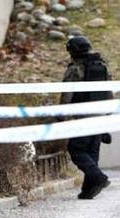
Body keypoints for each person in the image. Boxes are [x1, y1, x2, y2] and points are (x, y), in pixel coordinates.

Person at [60, 35, 112, 200]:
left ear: (73, 51)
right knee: (91, 153)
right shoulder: (101, 66)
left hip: (83, 115)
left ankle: (99, 179)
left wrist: (60, 114)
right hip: (100, 115)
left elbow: (67, 94)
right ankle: (89, 189)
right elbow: (108, 91)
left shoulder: (75, 69)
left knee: (76, 150)